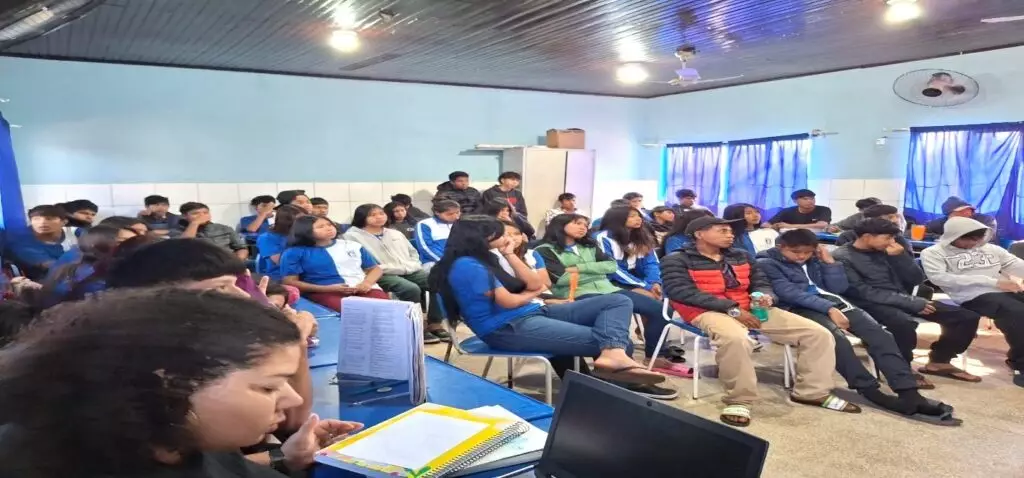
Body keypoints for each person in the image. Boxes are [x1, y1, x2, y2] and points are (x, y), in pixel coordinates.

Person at [0, 288, 362, 478]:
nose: (292, 398)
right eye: (268, 387)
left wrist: (287, 457)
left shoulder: (164, 431)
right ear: (168, 380)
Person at [428, 215, 675, 399]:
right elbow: (510, 301)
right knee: (616, 339)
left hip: (530, 313)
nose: (508, 238)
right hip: (506, 328)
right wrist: (534, 293)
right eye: (500, 234)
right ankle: (615, 388)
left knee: (619, 300)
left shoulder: (489, 258)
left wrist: (511, 255)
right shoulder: (467, 265)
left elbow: (535, 283)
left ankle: (613, 359)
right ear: (479, 238)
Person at [106, 238, 317, 434]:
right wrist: (279, 459)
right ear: (157, 299)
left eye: (236, 285)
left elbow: (289, 424)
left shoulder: (206, 345)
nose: (243, 296)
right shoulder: (141, 372)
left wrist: (295, 343)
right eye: (221, 288)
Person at [662, 216, 856, 426]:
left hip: (750, 307)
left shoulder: (741, 255)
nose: (730, 235)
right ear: (699, 234)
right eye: (723, 231)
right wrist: (732, 310)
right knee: (736, 339)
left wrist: (766, 296)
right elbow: (680, 292)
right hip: (705, 310)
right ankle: (740, 399)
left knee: (817, 333)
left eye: (730, 231)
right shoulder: (676, 259)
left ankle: (811, 391)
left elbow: (760, 282)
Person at [758, 229, 959, 423]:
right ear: (781, 247)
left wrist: (830, 264)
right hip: (800, 307)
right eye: (795, 252)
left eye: (807, 252)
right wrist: (829, 309)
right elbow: (789, 293)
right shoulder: (766, 262)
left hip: (835, 302)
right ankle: (868, 388)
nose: (801, 256)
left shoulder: (816, 260)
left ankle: (908, 391)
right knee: (837, 339)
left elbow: (838, 288)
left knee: (880, 335)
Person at [833, 218, 983, 384]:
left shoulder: (891, 251)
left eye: (893, 238)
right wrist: (910, 302)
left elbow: (916, 279)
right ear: (867, 236)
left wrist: (900, 258)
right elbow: (863, 292)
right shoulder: (843, 257)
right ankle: (900, 369)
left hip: (902, 298)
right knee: (902, 323)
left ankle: (940, 361)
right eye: (887, 237)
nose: (892, 242)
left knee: (966, 317)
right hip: (868, 304)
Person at [535, 214, 680, 376]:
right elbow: (562, 278)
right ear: (560, 225)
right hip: (577, 294)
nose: (583, 227)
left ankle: (654, 355)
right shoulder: (544, 250)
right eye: (577, 223)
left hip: (608, 289)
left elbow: (611, 266)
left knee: (661, 310)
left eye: (585, 224)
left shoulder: (589, 245)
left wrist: (578, 268)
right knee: (622, 338)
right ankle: (615, 374)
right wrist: (597, 270)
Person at [920, 216, 1024, 388]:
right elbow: (941, 278)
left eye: (978, 238)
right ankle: (1020, 363)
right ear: (954, 236)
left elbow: (1015, 264)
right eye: (968, 239)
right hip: (971, 296)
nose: (974, 243)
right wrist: (993, 282)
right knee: (1017, 313)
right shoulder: (932, 253)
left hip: (1004, 290)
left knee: (1016, 311)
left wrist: (1002, 284)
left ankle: (1017, 356)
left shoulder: (991, 249)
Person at [344, 204, 449, 343]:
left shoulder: (394, 233)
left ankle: (434, 323)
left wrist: (413, 265)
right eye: (372, 215)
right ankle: (414, 327)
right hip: (379, 273)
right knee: (410, 289)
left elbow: (413, 253)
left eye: (381, 213)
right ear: (362, 218)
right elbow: (362, 262)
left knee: (439, 281)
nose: (378, 217)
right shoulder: (351, 237)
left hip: (407, 269)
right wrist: (390, 268)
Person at [280, 216, 388, 311]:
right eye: (320, 227)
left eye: (329, 224)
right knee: (353, 311)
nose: (328, 228)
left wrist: (367, 283)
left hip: (363, 288)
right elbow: (290, 282)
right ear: (305, 231)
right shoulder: (293, 253)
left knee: (386, 308)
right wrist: (327, 289)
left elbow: (375, 269)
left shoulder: (352, 245)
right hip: (325, 292)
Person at [40, 224, 140, 307]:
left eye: (136, 240)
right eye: (122, 241)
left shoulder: (80, 262)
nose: (134, 245)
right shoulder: (93, 276)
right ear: (96, 244)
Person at [5, 205, 68, 280]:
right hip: (43, 283)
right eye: (36, 219)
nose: (42, 222)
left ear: (64, 222)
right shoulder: (21, 241)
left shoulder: (74, 237)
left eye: (49, 219)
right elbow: (48, 264)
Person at [172, 202, 249, 260]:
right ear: (184, 216)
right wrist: (195, 223)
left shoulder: (224, 228)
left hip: (227, 263)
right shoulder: (177, 231)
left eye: (205, 213)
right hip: (196, 266)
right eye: (195, 213)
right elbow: (183, 246)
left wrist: (238, 260)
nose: (202, 216)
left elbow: (241, 248)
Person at [256, 205, 306, 281]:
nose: (305, 223)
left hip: (307, 274)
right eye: (300, 221)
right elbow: (281, 261)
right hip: (280, 276)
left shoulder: (304, 234)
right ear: (286, 222)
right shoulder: (266, 238)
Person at [924, 196, 998, 243]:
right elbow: (923, 231)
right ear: (949, 215)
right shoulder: (943, 222)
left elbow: (988, 236)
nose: (966, 213)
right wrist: (939, 237)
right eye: (958, 212)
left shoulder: (986, 220)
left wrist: (953, 238)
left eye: (967, 209)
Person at [414, 200, 461, 270]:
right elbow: (425, 247)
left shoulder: (460, 223)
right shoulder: (425, 224)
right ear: (437, 213)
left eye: (457, 213)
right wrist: (445, 261)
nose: (456, 217)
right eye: (450, 214)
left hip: (458, 261)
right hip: (433, 262)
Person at [834, 204, 908, 248]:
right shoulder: (847, 237)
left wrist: (900, 257)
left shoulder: (899, 239)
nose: (895, 220)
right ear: (872, 220)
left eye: (897, 216)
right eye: (890, 217)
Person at [767, 189, 831, 230]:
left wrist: (789, 226)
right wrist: (772, 227)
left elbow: (822, 225)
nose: (810, 201)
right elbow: (765, 224)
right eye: (805, 199)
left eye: (812, 198)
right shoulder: (787, 211)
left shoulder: (824, 209)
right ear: (795, 201)